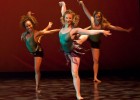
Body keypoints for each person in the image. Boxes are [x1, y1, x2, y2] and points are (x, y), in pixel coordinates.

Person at [58, 1, 111, 99]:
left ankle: (78, 94)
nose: (68, 19)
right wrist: (64, 4)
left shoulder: (74, 29)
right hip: (69, 49)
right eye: (67, 18)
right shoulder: (63, 24)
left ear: (72, 19)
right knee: (80, 39)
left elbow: (89, 32)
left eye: (70, 18)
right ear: (64, 18)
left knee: (74, 73)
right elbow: (63, 12)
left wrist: (101, 30)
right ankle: (81, 37)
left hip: (74, 51)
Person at [77, 0, 133, 83]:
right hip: (89, 35)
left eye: (99, 17)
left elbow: (115, 27)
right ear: (94, 16)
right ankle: (75, 44)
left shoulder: (104, 24)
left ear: (101, 17)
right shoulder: (92, 20)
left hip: (95, 42)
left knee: (96, 60)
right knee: (84, 36)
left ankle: (95, 77)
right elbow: (86, 11)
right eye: (96, 16)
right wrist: (82, 3)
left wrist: (126, 30)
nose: (98, 18)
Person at [20, 11, 60, 93]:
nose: (28, 27)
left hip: (38, 52)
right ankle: (47, 26)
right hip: (34, 48)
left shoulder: (36, 33)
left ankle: (37, 87)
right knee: (40, 35)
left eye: (30, 25)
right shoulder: (25, 34)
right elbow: (28, 21)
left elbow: (49, 32)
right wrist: (29, 15)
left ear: (33, 25)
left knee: (36, 69)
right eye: (26, 26)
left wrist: (61, 29)